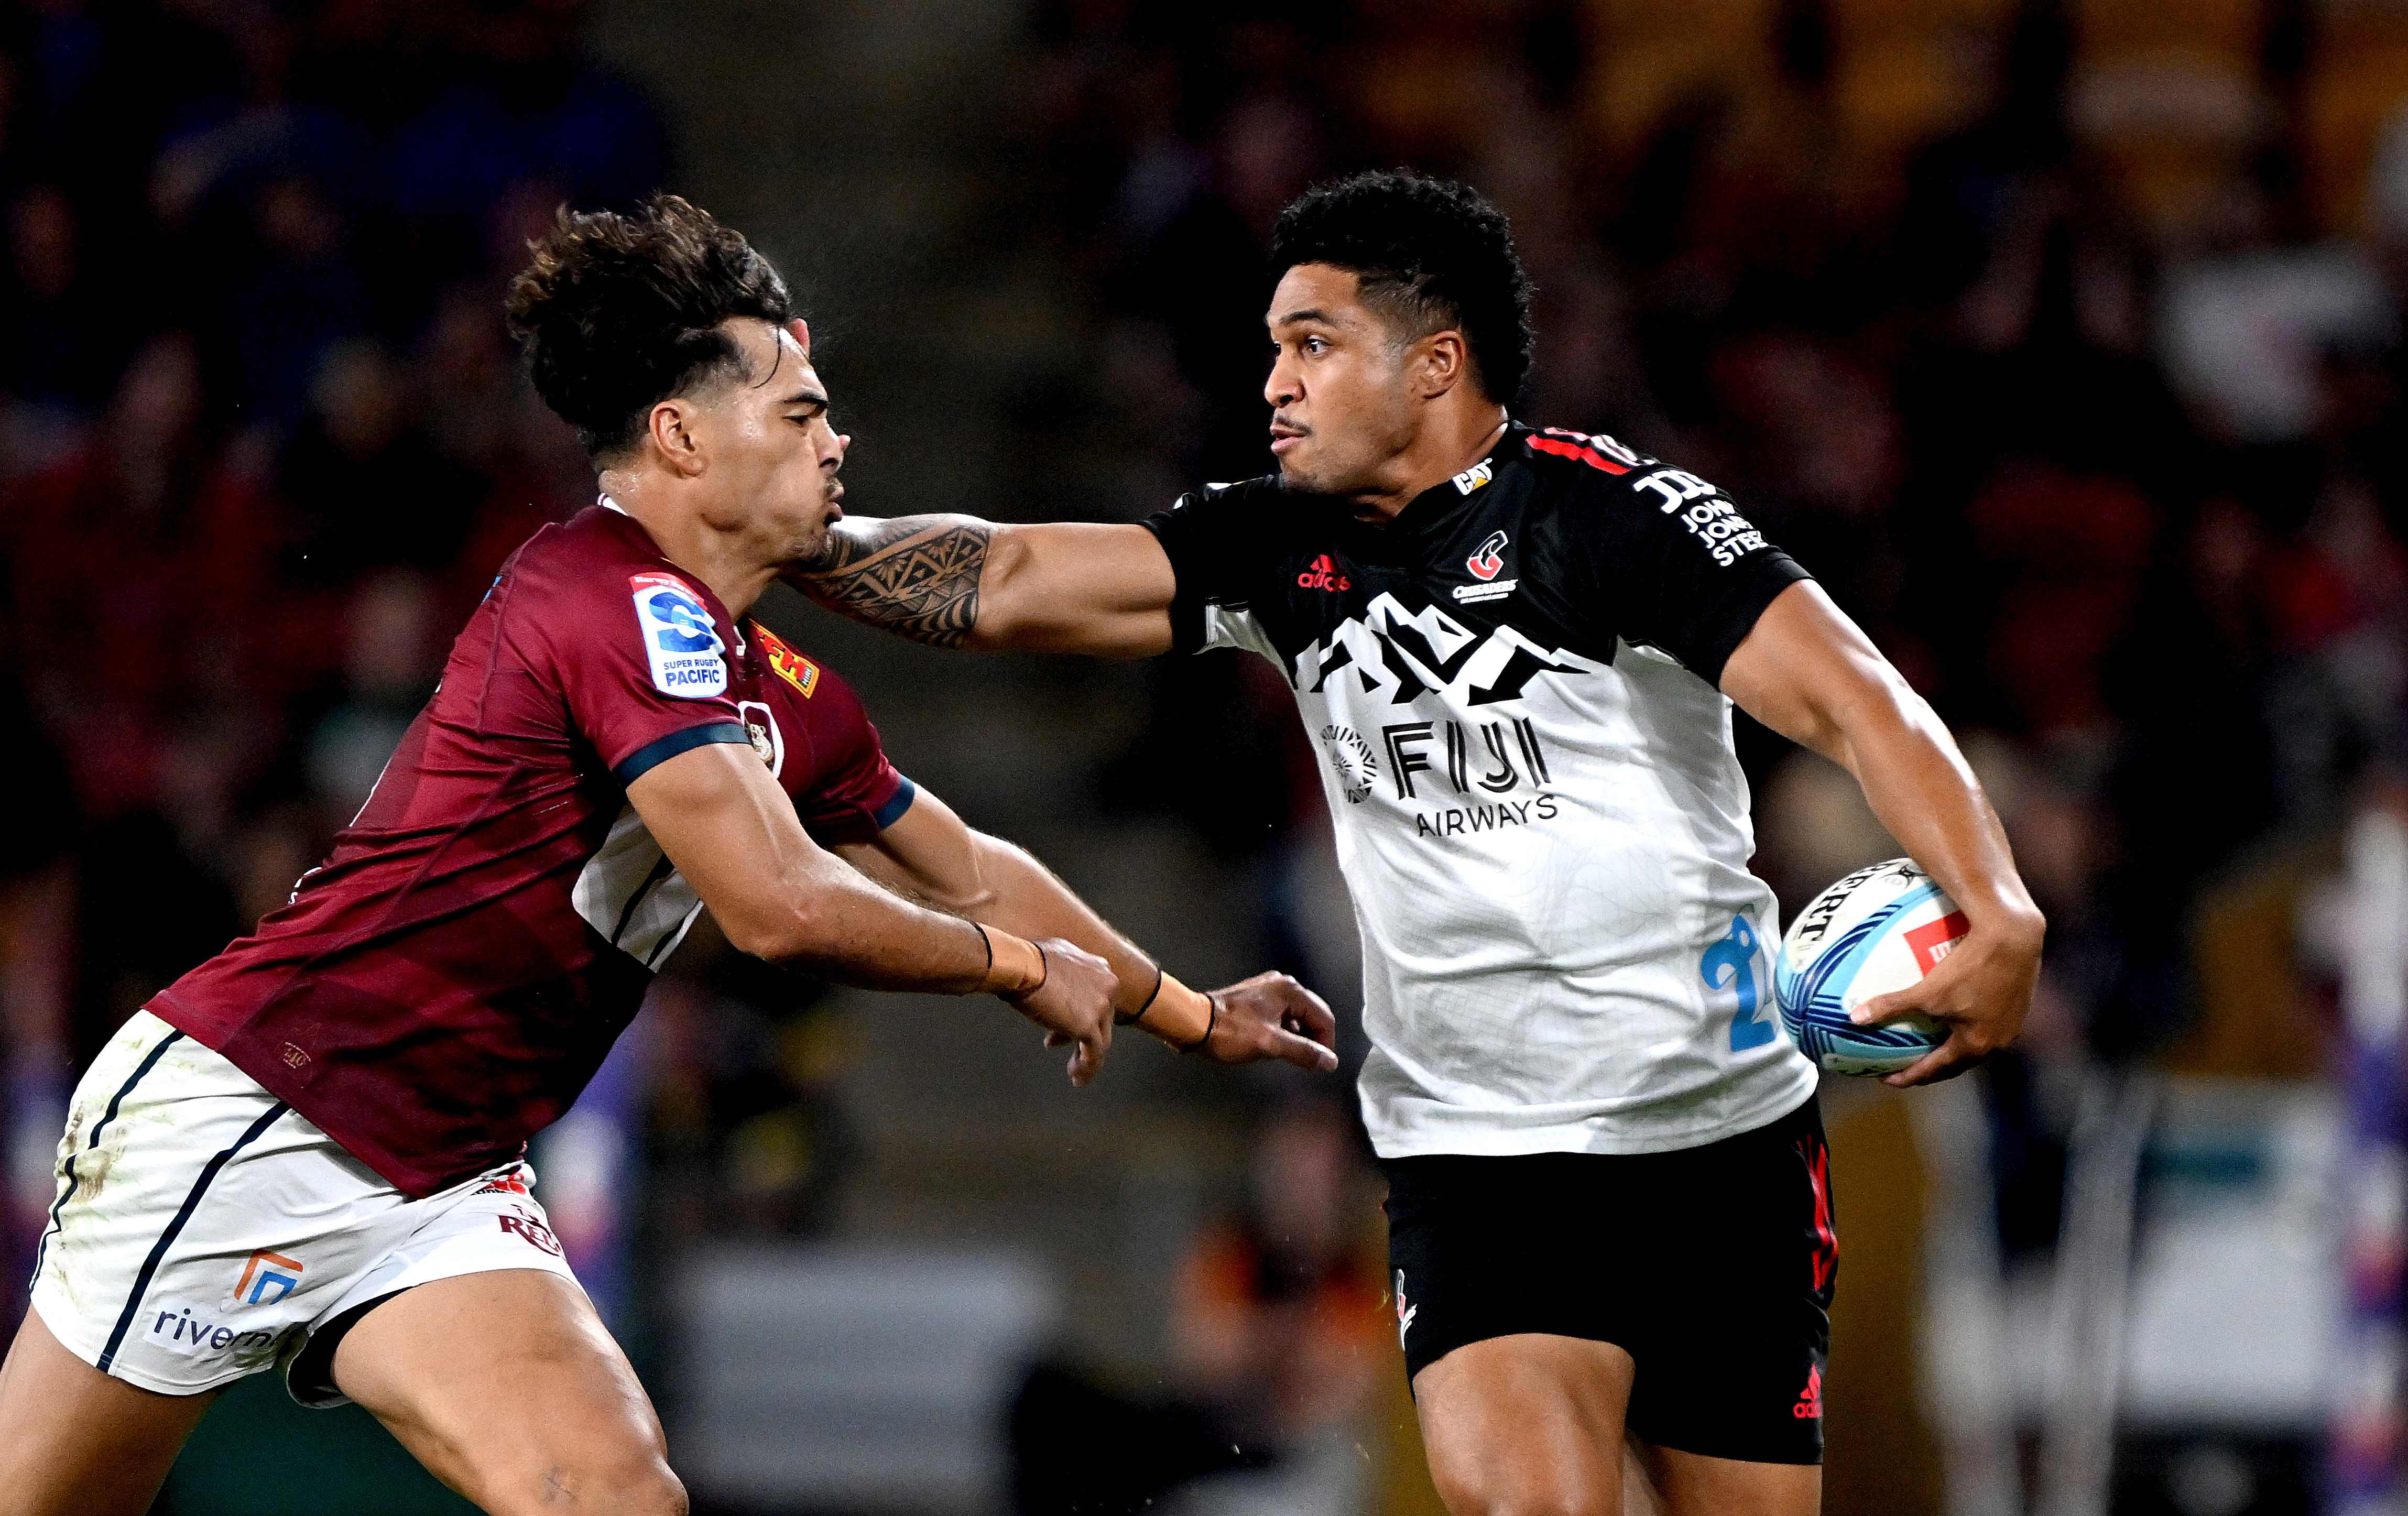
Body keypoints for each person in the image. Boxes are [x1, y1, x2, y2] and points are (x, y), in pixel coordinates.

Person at [0, 195, 1338, 1516]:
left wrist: (1189, 1013)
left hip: (443, 1173)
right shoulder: (601, 595)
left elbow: (970, 862)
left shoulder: (779, 683)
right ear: (685, 438)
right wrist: (1011, 968)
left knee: (617, 1494)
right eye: (803, 412)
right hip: (260, 1113)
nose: (840, 439)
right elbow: (776, 907)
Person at [790, 170, 2046, 1515]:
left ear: (1436, 363)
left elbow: (1858, 696)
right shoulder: (1276, 544)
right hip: (1479, 1157)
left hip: (1720, 1150)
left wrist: (1999, 905)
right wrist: (789, 539)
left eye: (1313, 345)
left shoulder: (1617, 517)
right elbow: (1015, 577)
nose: (1274, 380)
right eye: (1275, 346)